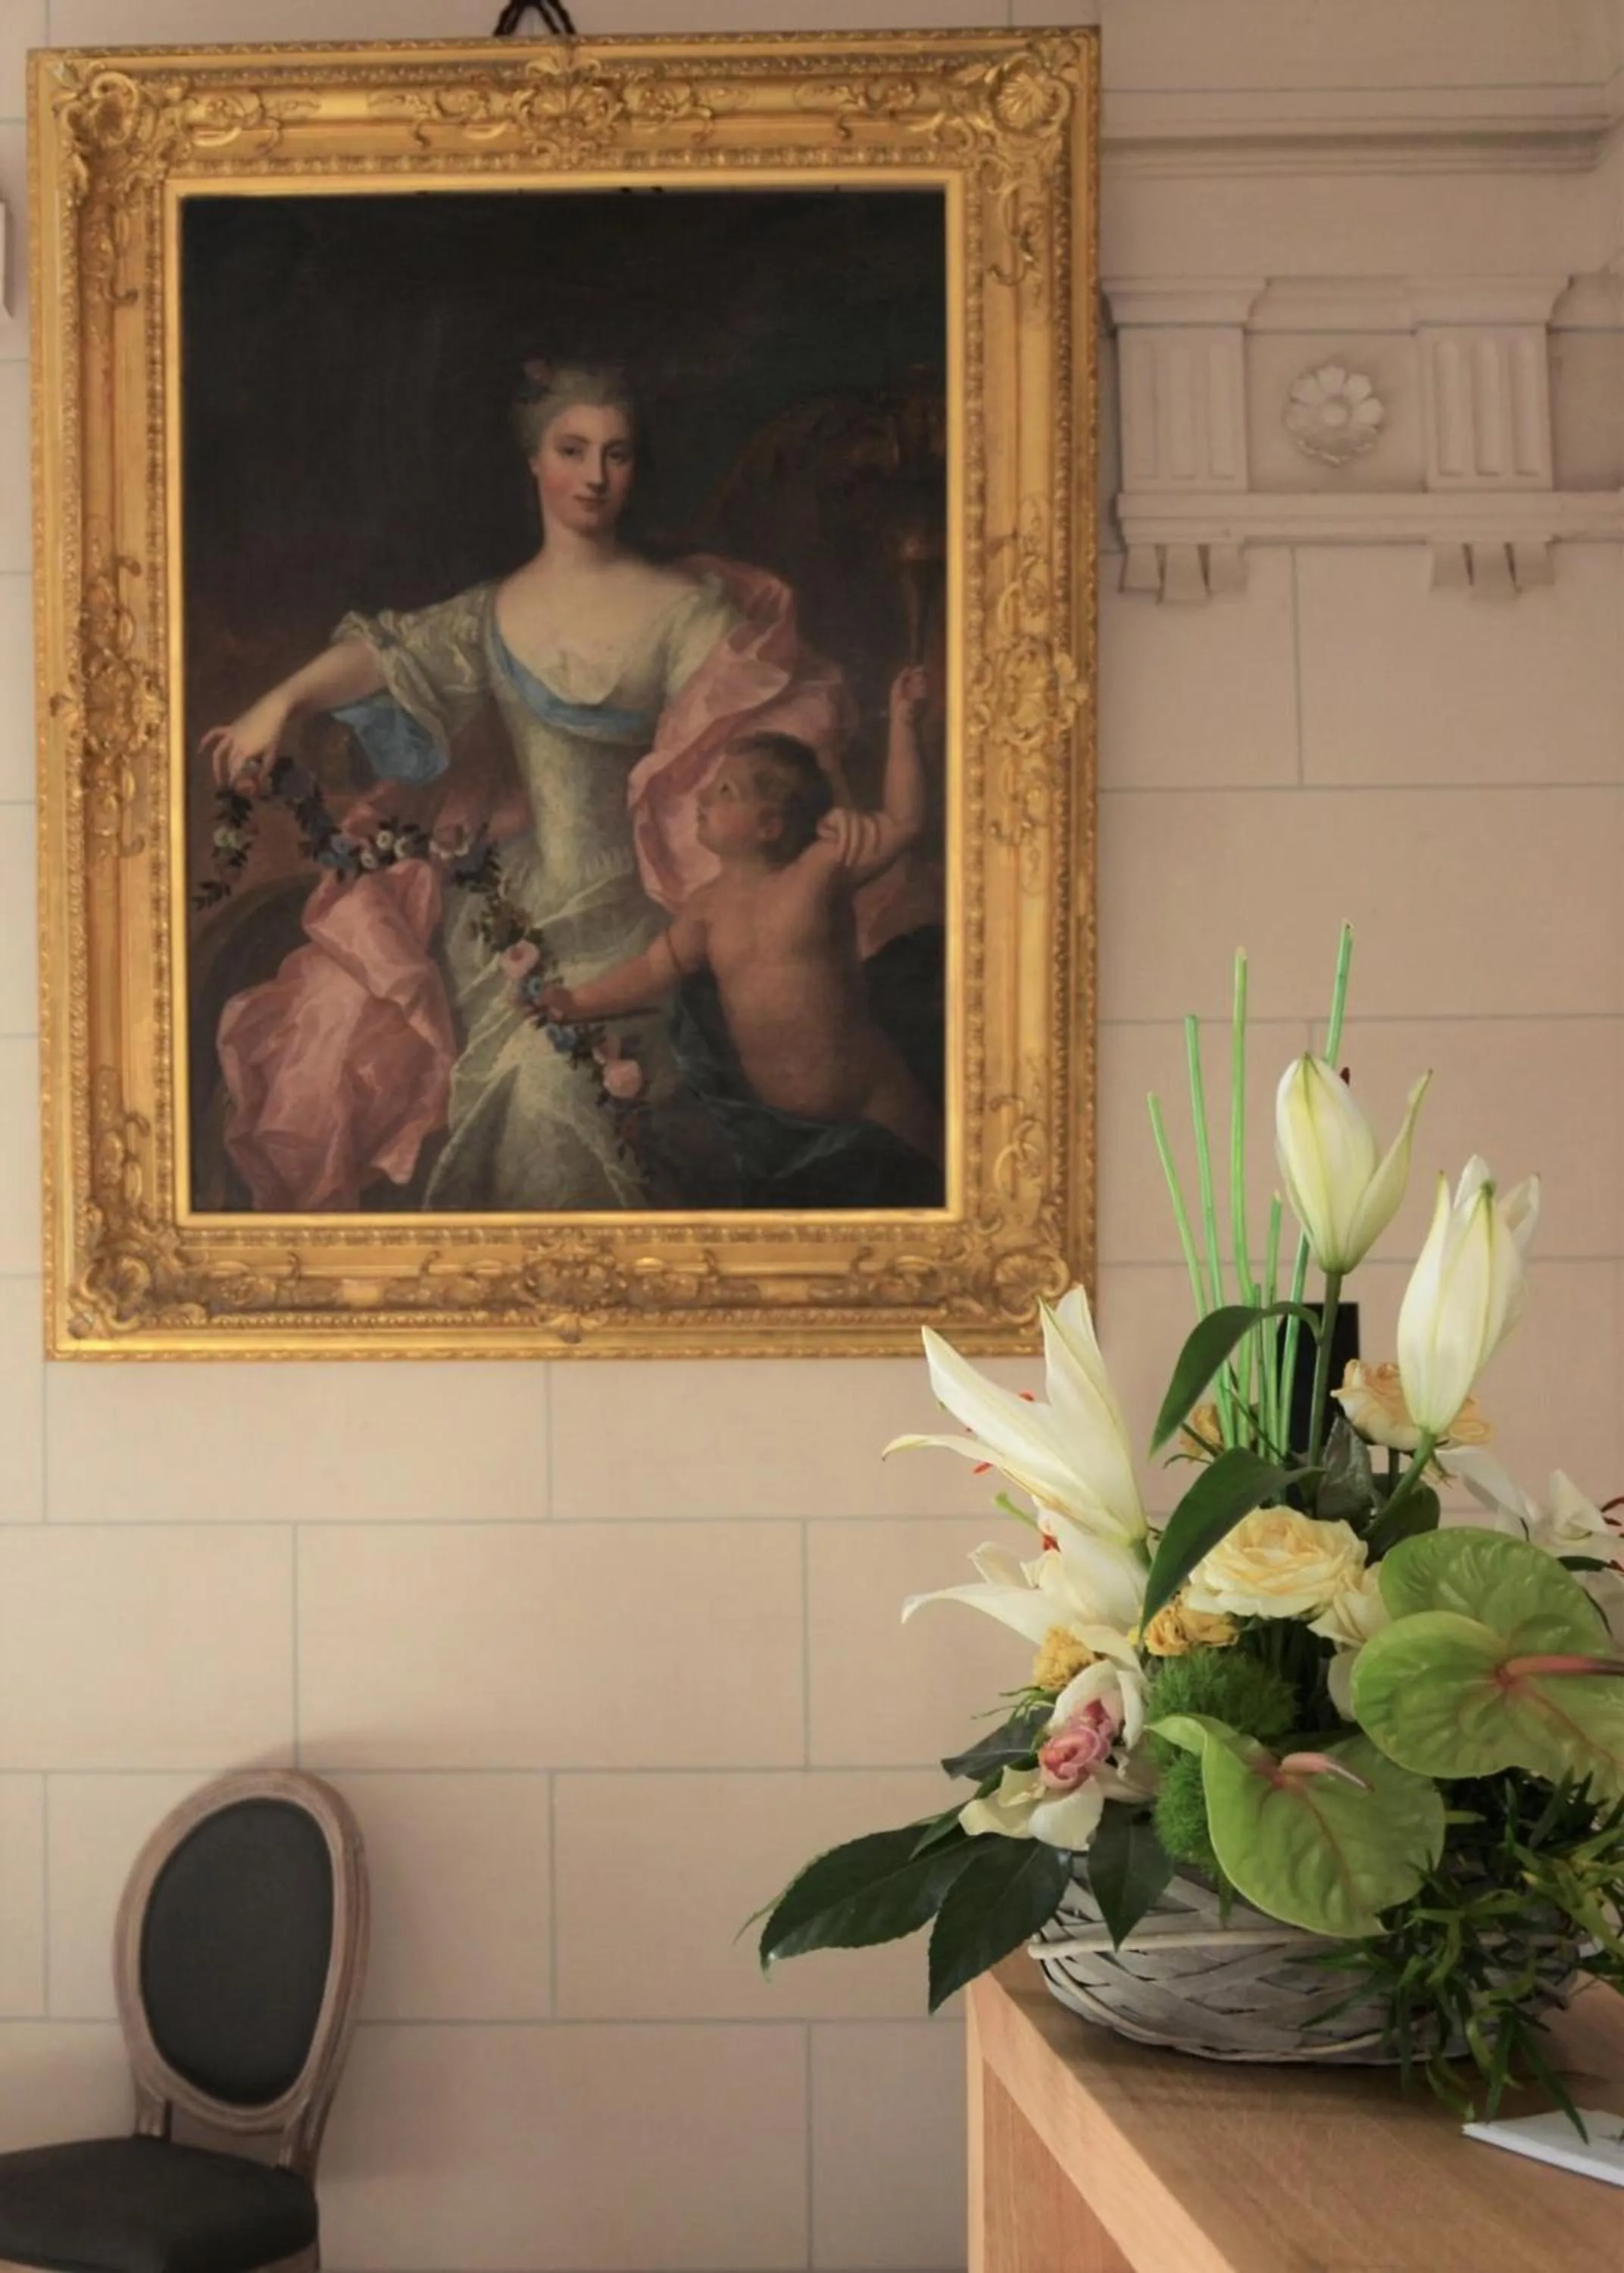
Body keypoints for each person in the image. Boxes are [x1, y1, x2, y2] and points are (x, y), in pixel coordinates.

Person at [198, 359, 858, 1212]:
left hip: (640, 913)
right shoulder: (492, 613)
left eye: (615, 455)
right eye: (573, 450)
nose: (593, 477)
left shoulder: (683, 612)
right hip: (505, 915)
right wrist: (279, 701)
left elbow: (774, 735)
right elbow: (390, 653)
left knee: (554, 1100)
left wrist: (836, 807)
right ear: (534, 465)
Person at [540, 668, 942, 1195]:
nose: (704, 796)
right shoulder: (708, 909)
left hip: (871, 1094)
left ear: (770, 825)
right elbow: (654, 968)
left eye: (726, 790)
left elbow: (906, 823)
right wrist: (579, 1001)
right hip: (780, 1129)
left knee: (935, 1178)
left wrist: (905, 723)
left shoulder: (816, 874)